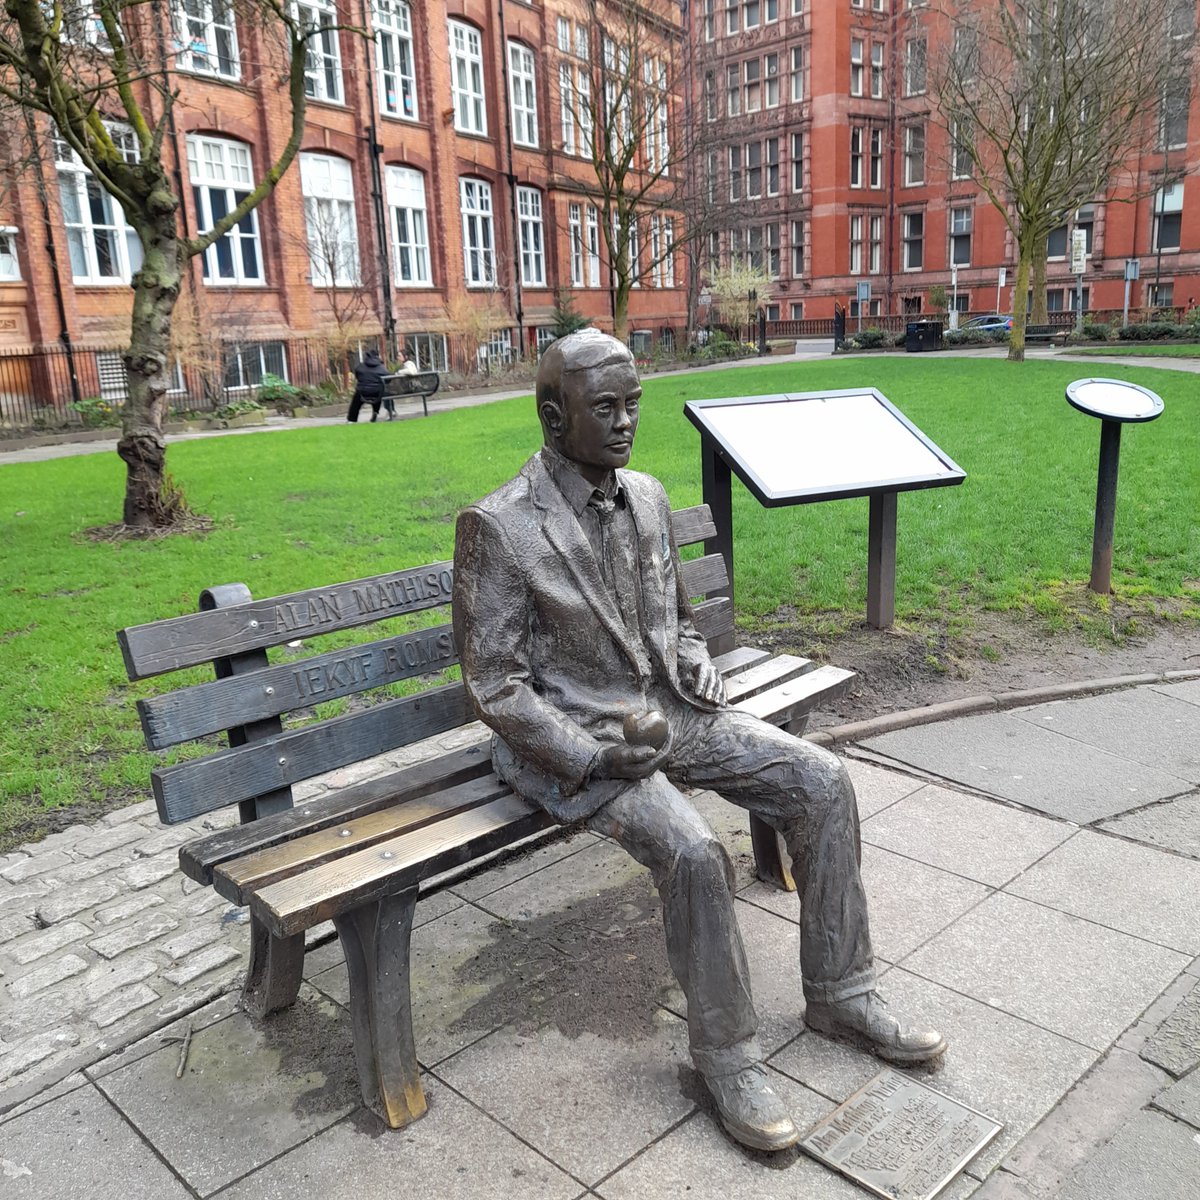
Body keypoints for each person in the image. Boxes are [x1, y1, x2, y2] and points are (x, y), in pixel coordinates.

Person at [452, 329, 946, 1153]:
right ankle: (728, 1058)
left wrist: (692, 660)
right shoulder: (501, 528)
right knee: (691, 851)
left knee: (823, 782)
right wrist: (590, 755)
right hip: (576, 741)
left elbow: (674, 616)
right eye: (603, 408)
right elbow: (494, 685)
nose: (624, 424)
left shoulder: (645, 495)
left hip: (671, 710)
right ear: (552, 415)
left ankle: (841, 990)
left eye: (632, 404)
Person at [347, 348, 389, 423]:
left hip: (362, 392)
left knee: (356, 402)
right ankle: (375, 412)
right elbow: (388, 378)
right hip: (377, 392)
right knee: (378, 394)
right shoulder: (381, 367)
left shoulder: (361, 367)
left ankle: (352, 419)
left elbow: (357, 375)